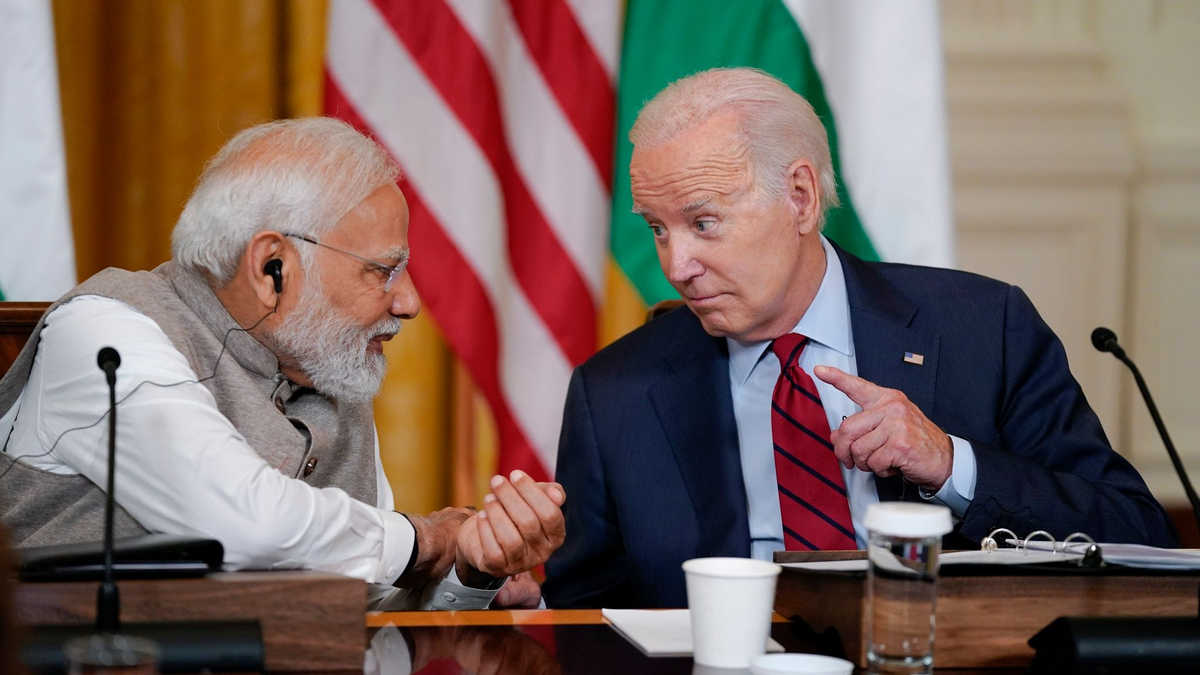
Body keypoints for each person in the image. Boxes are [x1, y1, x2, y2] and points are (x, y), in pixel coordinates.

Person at [543, 67, 1176, 609]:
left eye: (703, 223)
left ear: (799, 196)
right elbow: (583, 615)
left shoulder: (984, 329)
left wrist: (950, 463)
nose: (676, 265)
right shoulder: (615, 392)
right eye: (657, 229)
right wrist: (507, 588)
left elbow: (1139, 537)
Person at [0, 117, 563, 609]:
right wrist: (431, 539)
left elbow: (364, 605)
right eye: (383, 270)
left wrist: (472, 573)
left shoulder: (325, 365)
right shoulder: (104, 333)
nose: (409, 302)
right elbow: (242, 523)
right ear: (274, 266)